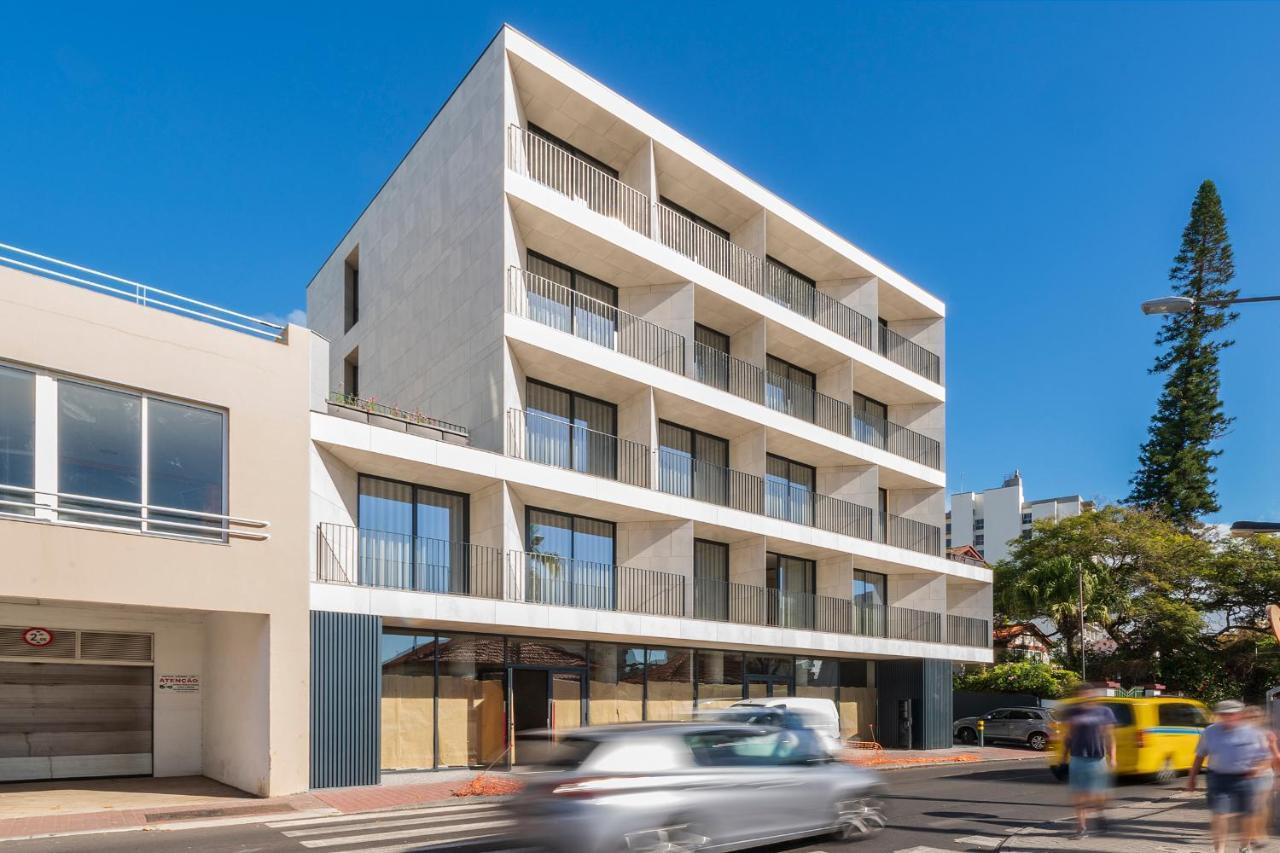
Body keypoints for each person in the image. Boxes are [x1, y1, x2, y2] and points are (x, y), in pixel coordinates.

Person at [1188, 699, 1270, 853]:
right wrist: (1192, 778)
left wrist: (1258, 768)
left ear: (1240, 715)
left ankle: (1244, 846)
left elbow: (1267, 756)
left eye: (1231, 714)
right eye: (1223, 714)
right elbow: (1199, 756)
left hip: (1246, 778)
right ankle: (1219, 850)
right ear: (1219, 715)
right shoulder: (1210, 731)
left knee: (1248, 815)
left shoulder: (1254, 733)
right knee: (1220, 814)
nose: (1228, 717)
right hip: (1218, 777)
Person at [1062, 684, 1118, 839]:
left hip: (1097, 758)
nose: (1085, 696)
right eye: (1082, 693)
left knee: (1098, 795)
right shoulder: (1073, 712)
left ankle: (1100, 814)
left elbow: (1109, 736)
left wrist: (1113, 757)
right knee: (1079, 794)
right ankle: (1081, 828)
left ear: (1093, 695)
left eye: (1088, 693)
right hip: (1077, 757)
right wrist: (1063, 756)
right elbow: (1069, 735)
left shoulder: (1104, 712)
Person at [1245, 705, 1280, 850]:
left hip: (1264, 775)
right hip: (1244, 775)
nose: (1252, 720)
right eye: (1249, 717)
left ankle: (1259, 833)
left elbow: (1276, 756)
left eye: (1255, 717)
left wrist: (1277, 775)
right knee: (1250, 807)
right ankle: (1254, 835)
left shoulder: (1267, 734)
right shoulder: (1239, 735)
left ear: (1261, 719)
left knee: (1258, 806)